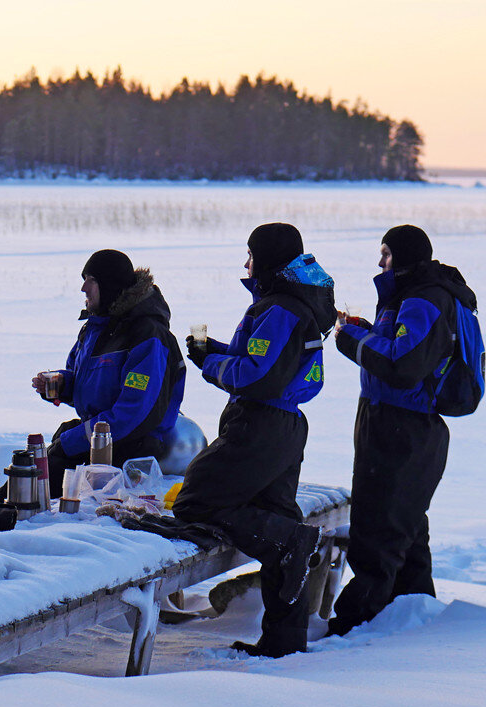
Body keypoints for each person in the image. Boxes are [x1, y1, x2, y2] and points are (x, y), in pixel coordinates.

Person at [172, 223, 337, 658]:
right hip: (283, 427)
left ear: (267, 259)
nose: (246, 264)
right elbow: (266, 361)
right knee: (273, 515)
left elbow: (259, 376)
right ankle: (284, 643)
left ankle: (293, 540)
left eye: (250, 255)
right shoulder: (293, 304)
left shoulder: (280, 308)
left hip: (261, 425)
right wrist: (217, 353)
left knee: (196, 499)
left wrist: (212, 367)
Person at [327, 225, 469, 636]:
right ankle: (412, 610)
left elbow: (402, 367)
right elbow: (401, 347)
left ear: (404, 257)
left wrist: (350, 338)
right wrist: (364, 328)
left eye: (386, 253)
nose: (380, 261)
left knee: (378, 527)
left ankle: (359, 624)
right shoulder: (411, 296)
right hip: (395, 422)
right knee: (404, 522)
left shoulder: (423, 299)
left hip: (401, 426)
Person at [32, 249, 185, 497]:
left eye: (90, 280)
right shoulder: (95, 328)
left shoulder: (146, 335)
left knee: (32, 490)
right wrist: (62, 385)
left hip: (129, 451)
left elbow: (133, 411)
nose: (83, 288)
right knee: (24, 482)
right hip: (96, 440)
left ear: (109, 285)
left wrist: (74, 441)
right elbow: (84, 380)